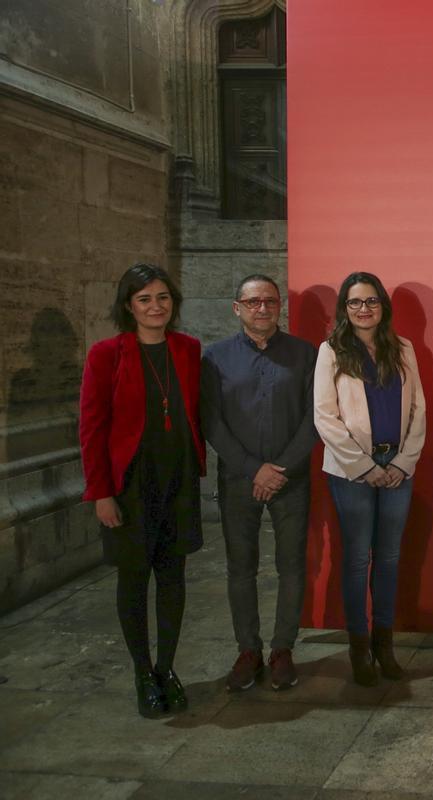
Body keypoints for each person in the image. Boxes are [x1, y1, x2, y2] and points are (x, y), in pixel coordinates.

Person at [79, 264, 205, 717]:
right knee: (133, 580)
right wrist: (101, 492)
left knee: (173, 578)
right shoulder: (106, 354)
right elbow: (92, 428)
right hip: (130, 487)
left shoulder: (188, 349)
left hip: (178, 482)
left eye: (163, 298)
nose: (156, 306)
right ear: (129, 306)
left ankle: (167, 668)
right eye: (145, 299)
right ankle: (142, 672)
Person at [201, 274, 317, 692]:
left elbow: (316, 417)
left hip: (291, 479)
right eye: (253, 302)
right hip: (238, 479)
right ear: (237, 308)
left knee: (292, 565)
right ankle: (247, 650)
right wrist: (255, 469)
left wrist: (280, 468)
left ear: (279, 306)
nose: (262, 308)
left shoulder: (305, 354)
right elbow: (211, 421)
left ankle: (282, 649)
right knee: (241, 567)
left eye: (270, 300)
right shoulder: (214, 358)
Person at [314, 272, 426, 686]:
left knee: (390, 558)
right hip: (351, 471)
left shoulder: (403, 348)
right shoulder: (330, 351)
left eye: (372, 301)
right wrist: (365, 467)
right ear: (344, 309)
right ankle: (359, 649)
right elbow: (324, 415)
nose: (364, 309)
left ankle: (384, 645)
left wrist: (402, 462)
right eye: (355, 302)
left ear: (383, 306)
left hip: (398, 468)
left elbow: (418, 409)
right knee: (358, 559)